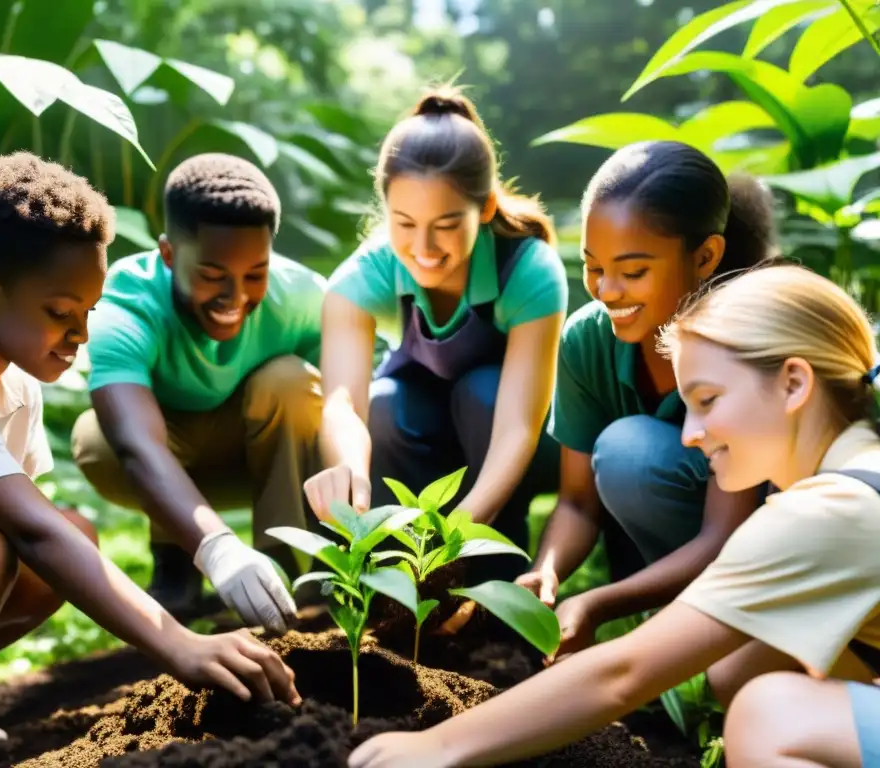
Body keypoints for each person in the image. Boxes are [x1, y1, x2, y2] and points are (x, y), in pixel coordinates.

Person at [0, 153, 300, 768]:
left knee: (68, 538)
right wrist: (179, 644)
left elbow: (48, 542)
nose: (81, 335)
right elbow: (30, 532)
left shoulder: (15, 387)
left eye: (89, 312)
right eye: (61, 313)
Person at [348, 263, 880, 768]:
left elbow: (623, 675)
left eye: (709, 399)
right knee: (741, 663)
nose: (691, 433)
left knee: (770, 714)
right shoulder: (856, 472)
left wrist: (440, 746)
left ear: (794, 384)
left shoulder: (826, 512)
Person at [514, 140, 777, 666]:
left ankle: (699, 640)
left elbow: (726, 531)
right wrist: (548, 570)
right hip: (673, 543)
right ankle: (676, 638)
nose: (607, 291)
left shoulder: (744, 343)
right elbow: (576, 502)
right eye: (593, 267)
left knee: (628, 450)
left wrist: (597, 605)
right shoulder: (589, 339)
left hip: (759, 553)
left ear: (705, 257)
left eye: (633, 272)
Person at [303, 86, 567, 584]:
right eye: (404, 223)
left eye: (446, 224)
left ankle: (498, 582)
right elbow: (343, 404)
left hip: (515, 441)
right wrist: (350, 472)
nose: (422, 247)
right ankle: (395, 584)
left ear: (485, 208)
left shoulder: (528, 270)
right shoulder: (361, 278)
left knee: (481, 392)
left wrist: (460, 538)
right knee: (385, 401)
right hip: (420, 434)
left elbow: (516, 428)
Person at [71, 153, 325, 629]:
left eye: (255, 274)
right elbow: (136, 445)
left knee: (292, 382)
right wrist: (218, 549)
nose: (235, 297)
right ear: (168, 255)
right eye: (212, 275)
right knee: (100, 437)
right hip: (163, 456)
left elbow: (355, 407)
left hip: (261, 459)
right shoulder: (125, 299)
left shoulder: (303, 298)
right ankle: (177, 560)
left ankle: (284, 565)